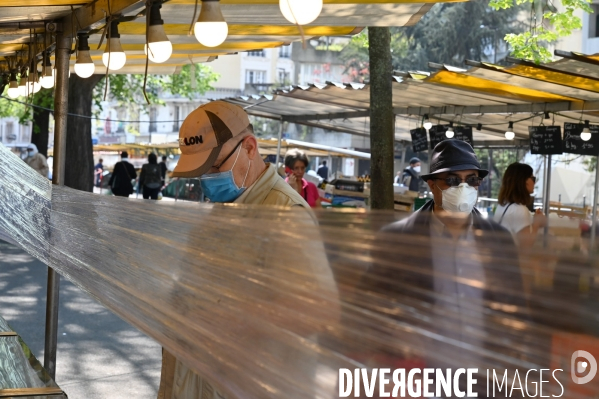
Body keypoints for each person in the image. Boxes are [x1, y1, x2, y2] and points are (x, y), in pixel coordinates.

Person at [161, 101, 336, 399]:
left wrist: (228, 318)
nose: (206, 179)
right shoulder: (222, 210)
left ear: (250, 148)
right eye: (200, 171)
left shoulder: (284, 213)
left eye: (214, 166)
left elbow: (318, 310)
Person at [357, 140, 525, 396]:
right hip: (420, 379)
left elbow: (516, 307)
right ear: (431, 184)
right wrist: (395, 336)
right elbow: (368, 305)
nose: (464, 188)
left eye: (472, 180)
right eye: (453, 181)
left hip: (485, 379)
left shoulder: (498, 239)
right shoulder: (398, 239)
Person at [494, 162, 546, 248]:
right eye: (533, 178)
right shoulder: (519, 209)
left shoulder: (503, 205)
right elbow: (526, 246)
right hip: (512, 260)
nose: (534, 182)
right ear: (523, 180)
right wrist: (537, 223)